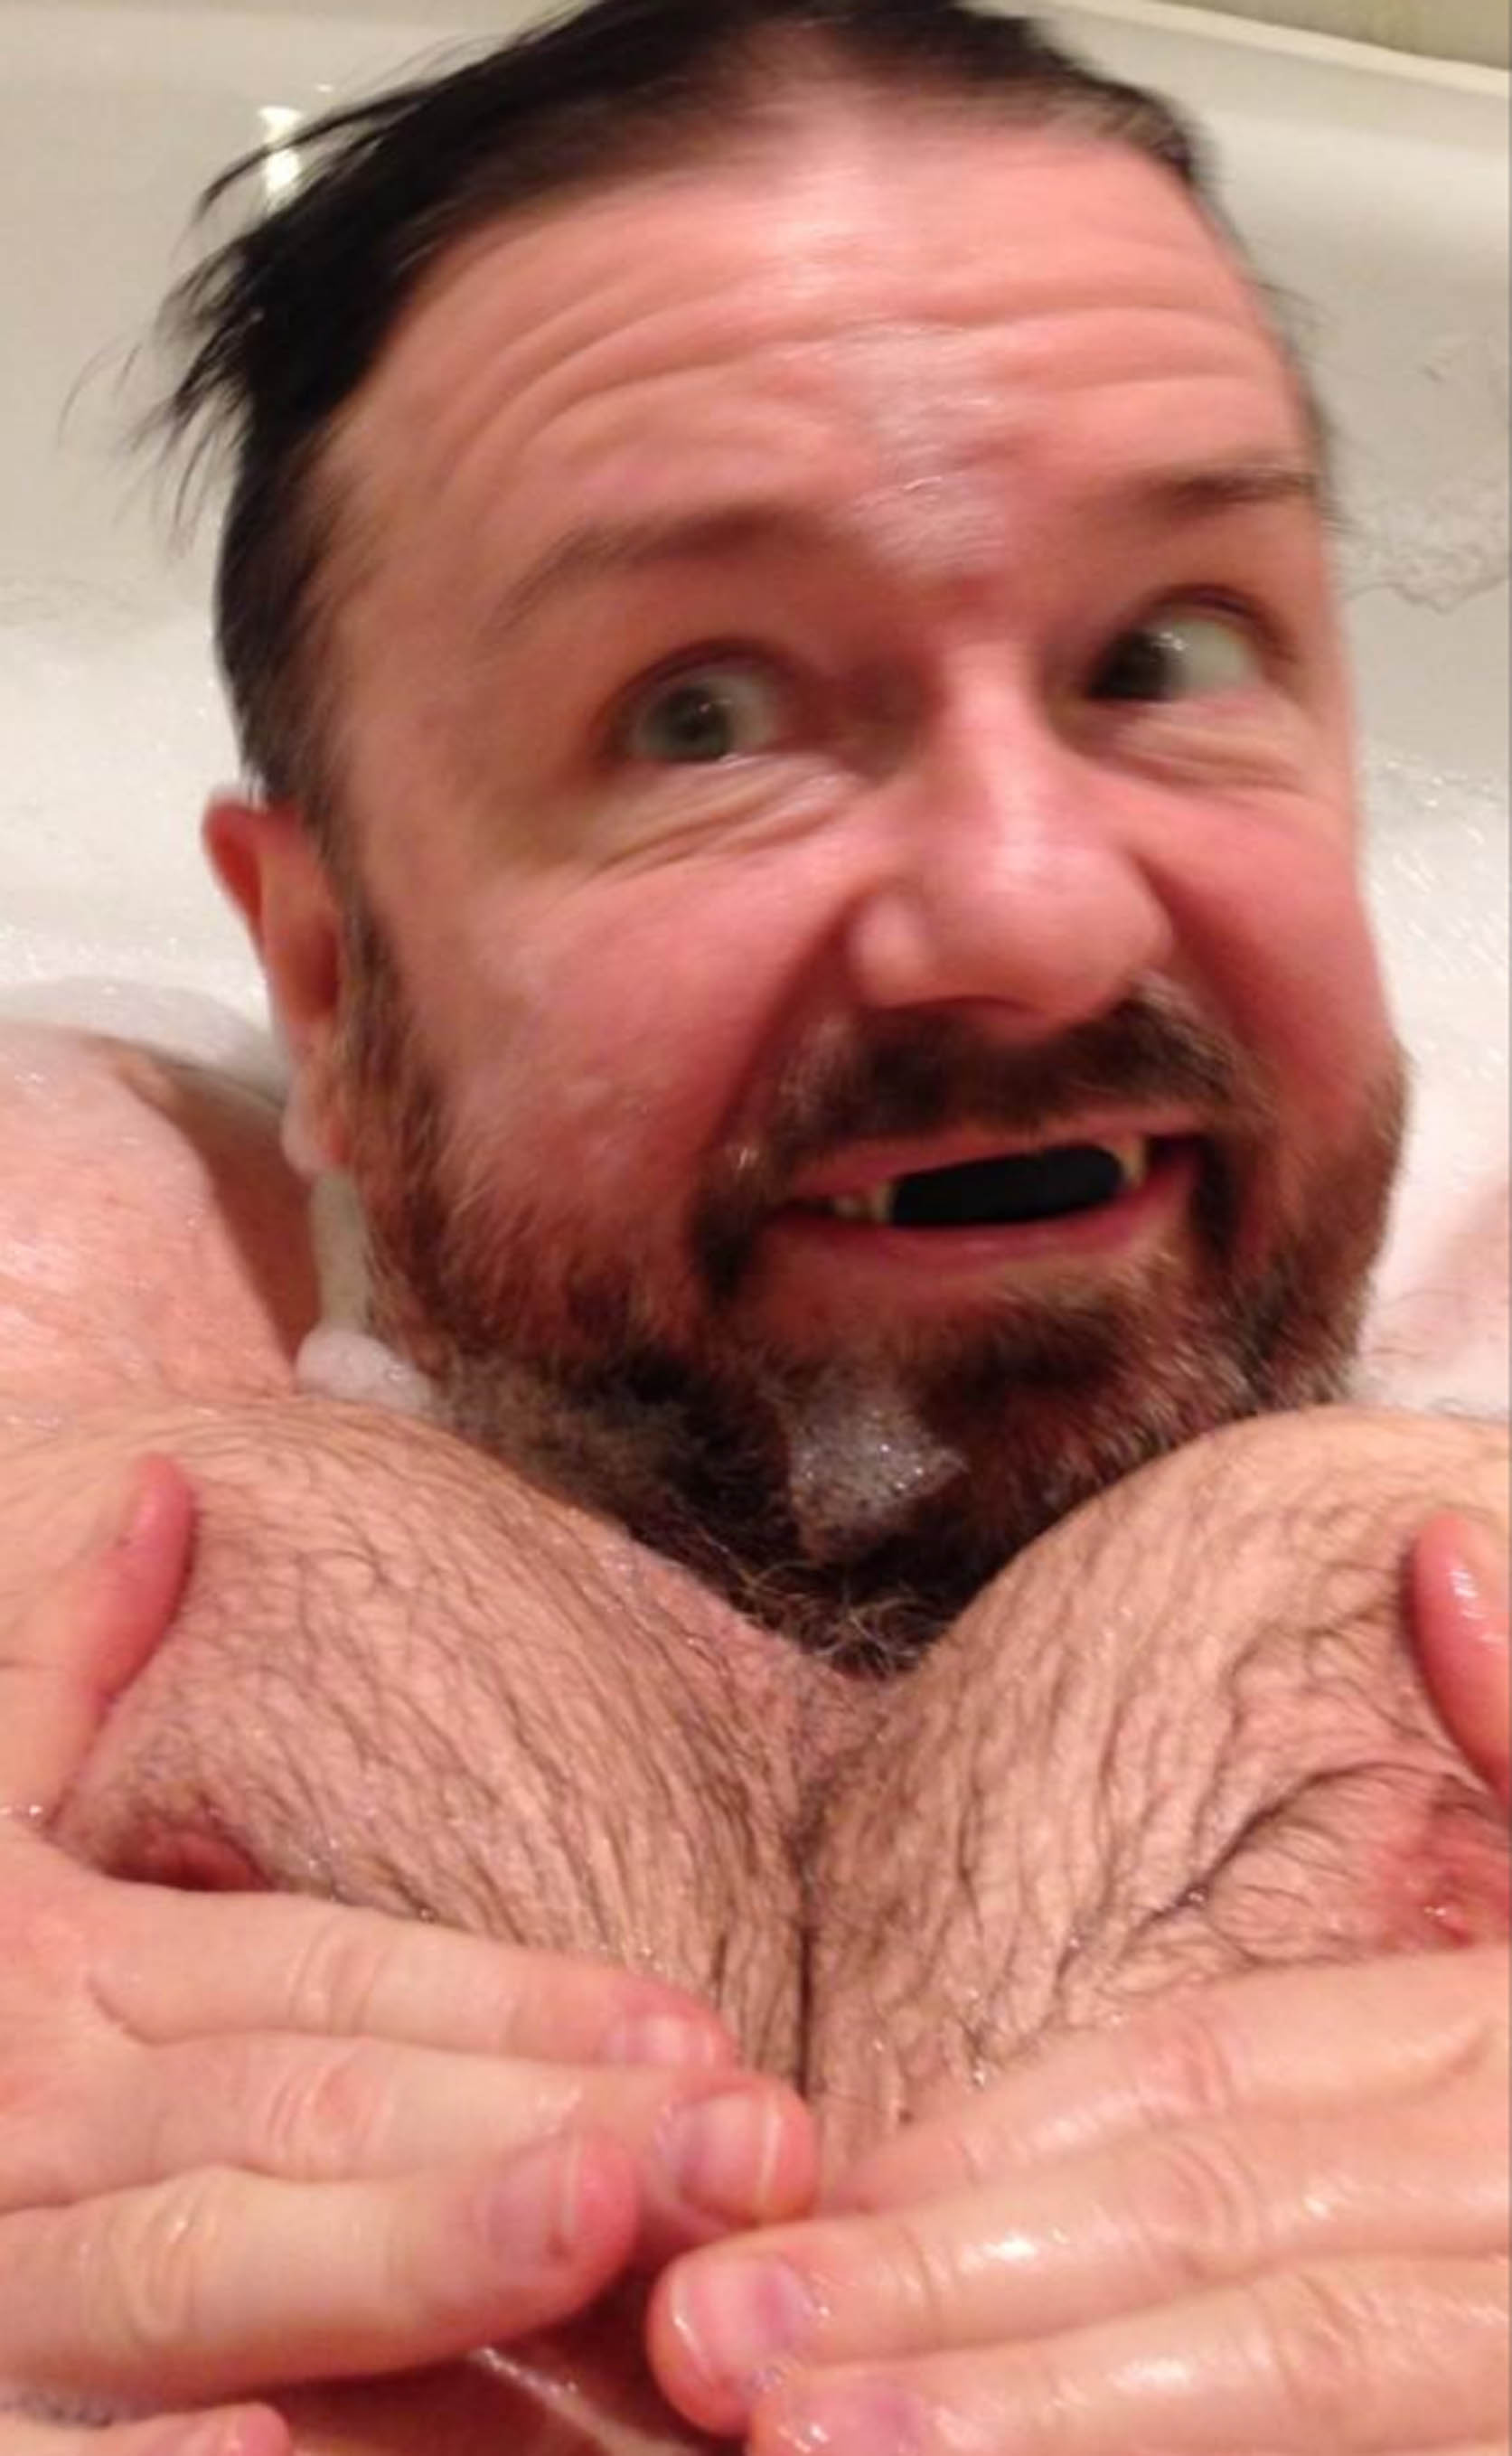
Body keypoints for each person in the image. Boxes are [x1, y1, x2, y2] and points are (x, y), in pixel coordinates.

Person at [0, 1, 1505, 2447]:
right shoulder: (100, 1238)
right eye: (698, 715)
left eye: (1165, 653)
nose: (1033, 916)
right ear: (333, 995)